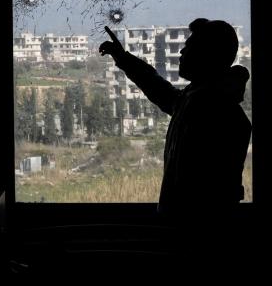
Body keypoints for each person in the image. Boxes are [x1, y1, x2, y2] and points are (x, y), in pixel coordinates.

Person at [99, 19, 252, 223]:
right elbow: (160, 89)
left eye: (189, 47)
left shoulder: (213, 111)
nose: (181, 53)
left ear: (207, 55)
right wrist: (122, 58)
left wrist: (123, 58)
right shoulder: (200, 101)